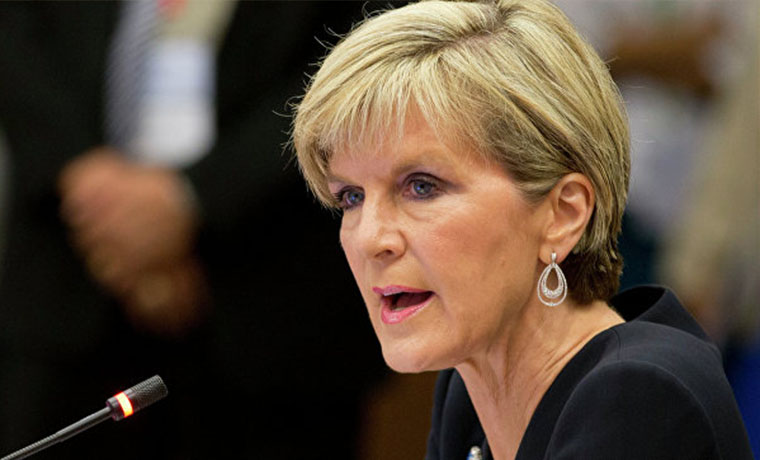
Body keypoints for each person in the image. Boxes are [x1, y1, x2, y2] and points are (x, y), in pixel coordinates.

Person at [291, 0, 754, 458]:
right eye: (351, 196)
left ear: (563, 215)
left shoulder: (639, 399)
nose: (371, 238)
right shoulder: (469, 392)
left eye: (422, 187)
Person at [0, 2, 381, 459]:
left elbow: (361, 55)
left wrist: (189, 200)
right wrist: (92, 187)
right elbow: (19, 39)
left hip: (270, 302)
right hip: (66, 292)